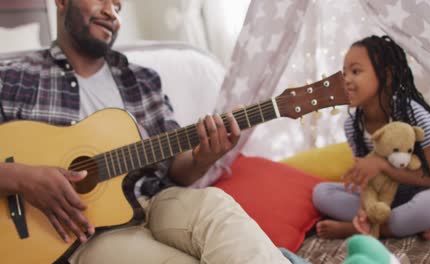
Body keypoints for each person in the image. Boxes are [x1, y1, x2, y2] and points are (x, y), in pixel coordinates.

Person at [0, 0, 291, 263]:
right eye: (102, 0)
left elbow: (176, 170)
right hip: (83, 231)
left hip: (156, 201)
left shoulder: (142, 80)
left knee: (216, 207)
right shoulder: (14, 79)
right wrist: (20, 178)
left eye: (118, 6)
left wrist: (205, 156)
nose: (110, 12)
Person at [312, 35, 430, 240]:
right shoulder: (353, 125)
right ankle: (397, 224)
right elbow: (369, 181)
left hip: (429, 190)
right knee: (321, 193)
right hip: (386, 197)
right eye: (344, 73)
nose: (345, 80)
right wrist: (363, 209)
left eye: (355, 71)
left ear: (387, 75)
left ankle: (361, 230)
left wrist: (382, 166)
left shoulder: (413, 113)